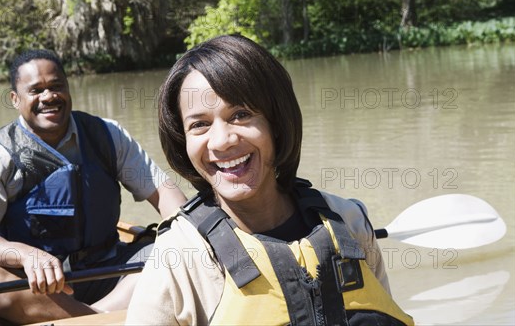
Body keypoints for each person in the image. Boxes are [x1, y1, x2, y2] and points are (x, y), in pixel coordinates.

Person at [126, 35, 414, 325]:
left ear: (276, 122)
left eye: (241, 114)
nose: (222, 141)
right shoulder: (176, 259)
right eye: (199, 125)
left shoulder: (349, 221)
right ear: (182, 142)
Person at [0, 49, 187, 325]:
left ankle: (90, 318)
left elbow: (167, 196)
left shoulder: (108, 135)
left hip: (108, 272)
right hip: (36, 287)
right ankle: (104, 320)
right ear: (15, 99)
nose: (48, 96)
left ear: (68, 88)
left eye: (56, 86)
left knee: (174, 251)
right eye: (35, 90)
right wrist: (25, 254)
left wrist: (190, 235)